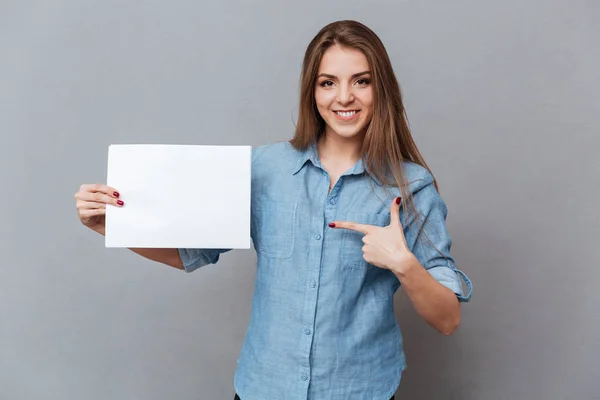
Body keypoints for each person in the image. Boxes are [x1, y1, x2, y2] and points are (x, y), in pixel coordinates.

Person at [74, 20, 472, 400]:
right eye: (327, 83)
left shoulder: (411, 187)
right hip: (263, 387)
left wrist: (404, 263)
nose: (344, 97)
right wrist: (109, 225)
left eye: (361, 81)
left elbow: (447, 319)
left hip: (361, 392)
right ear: (311, 92)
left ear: (380, 88)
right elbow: (189, 254)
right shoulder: (263, 170)